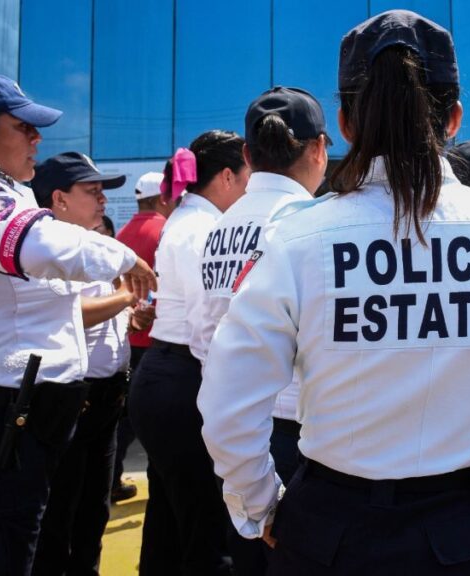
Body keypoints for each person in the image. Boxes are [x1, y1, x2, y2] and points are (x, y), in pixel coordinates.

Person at [199, 10, 470, 574]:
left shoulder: (297, 237)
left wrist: (259, 504)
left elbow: (228, 405)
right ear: (456, 117)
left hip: (335, 529)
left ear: (343, 124)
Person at [0, 72, 156, 575]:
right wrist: (122, 256)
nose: (37, 139)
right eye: (24, 127)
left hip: (0, 421)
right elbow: (40, 246)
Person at [192, 85, 330, 576]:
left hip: (233, 433)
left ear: (248, 155)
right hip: (297, 436)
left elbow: (200, 331)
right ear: (318, 149)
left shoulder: (218, 227)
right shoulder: (310, 225)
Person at [129, 130, 248, 576]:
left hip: (164, 377)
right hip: (183, 380)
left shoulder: (186, 219)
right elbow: (207, 330)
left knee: (169, 521)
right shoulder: (205, 229)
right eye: (248, 173)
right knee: (206, 528)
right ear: (226, 177)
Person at [28, 152, 151, 576]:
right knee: (61, 514)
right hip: (70, 398)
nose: (102, 200)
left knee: (94, 511)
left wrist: (129, 316)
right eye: (92, 192)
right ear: (59, 199)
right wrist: (126, 299)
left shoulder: (94, 247)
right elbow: (73, 313)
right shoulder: (46, 250)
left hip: (105, 396)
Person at [111, 171, 172, 503]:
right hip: (156, 336)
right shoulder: (164, 230)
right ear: (162, 197)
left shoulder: (121, 233)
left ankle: (111, 477)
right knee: (153, 422)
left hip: (127, 332)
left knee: (125, 418)